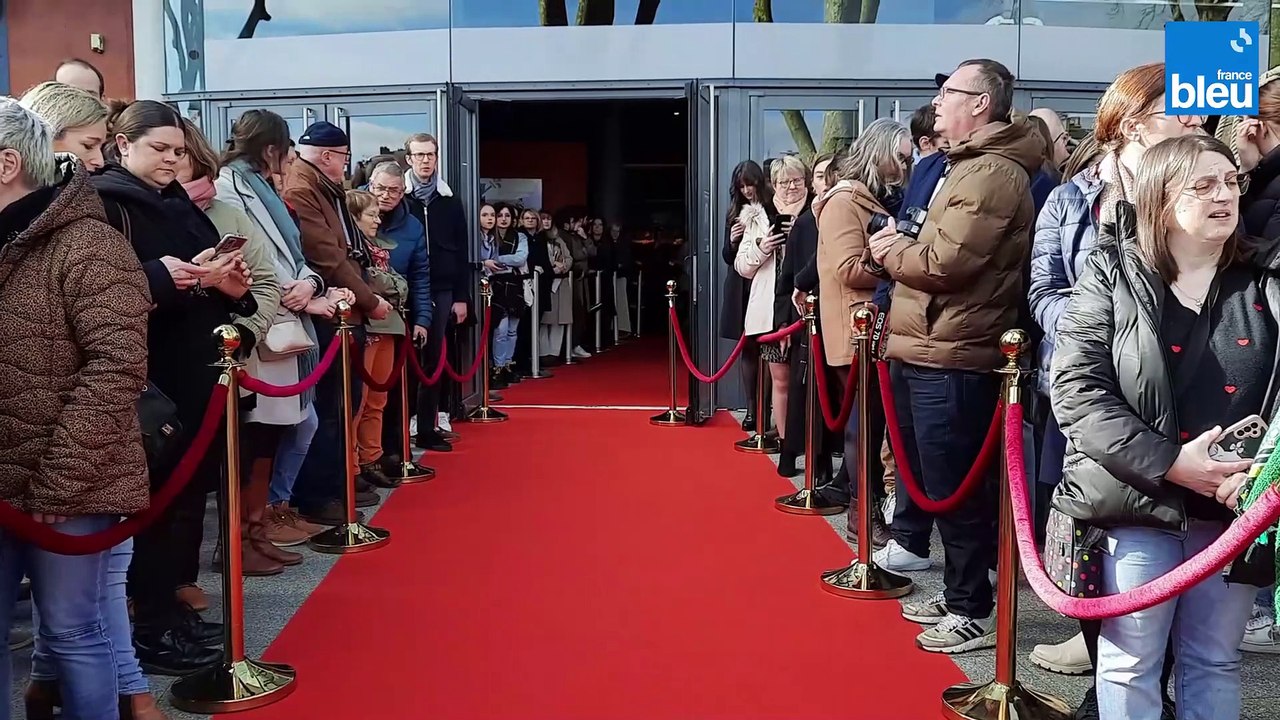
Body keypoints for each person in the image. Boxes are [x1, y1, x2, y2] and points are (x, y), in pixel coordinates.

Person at [1051, 134, 1270, 720]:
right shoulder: (1111, 273)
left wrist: (1261, 472)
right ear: (1160, 198)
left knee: (1214, 660)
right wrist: (1170, 463)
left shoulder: (1267, 276)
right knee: (1129, 661)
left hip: (1236, 507)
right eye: (1204, 185)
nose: (1224, 195)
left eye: (1231, 182)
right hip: (1138, 503)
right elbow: (1076, 390)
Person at [1027, 63, 1201, 716]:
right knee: (1092, 559)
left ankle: (1134, 692)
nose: (1196, 120)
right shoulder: (1072, 200)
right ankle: (1109, 682)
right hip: (1089, 400)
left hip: (1175, 408)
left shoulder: (1199, 193)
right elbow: (1043, 289)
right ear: (1132, 122)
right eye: (1178, 110)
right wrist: (1097, 331)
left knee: (1170, 570)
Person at [867, 58, 1044, 653]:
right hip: (927, 344)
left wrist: (890, 249)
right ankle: (961, 592)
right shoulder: (960, 164)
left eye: (949, 91)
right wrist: (902, 247)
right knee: (935, 480)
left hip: (953, 352)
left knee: (956, 488)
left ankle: (971, 608)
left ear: (980, 103)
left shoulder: (992, 171)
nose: (938, 101)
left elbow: (944, 264)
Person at [0, 97, 152, 720]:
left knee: (72, 629)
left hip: (73, 483)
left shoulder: (88, 244)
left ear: (7, 164)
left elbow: (117, 369)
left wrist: (60, 481)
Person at [94, 99, 255, 675]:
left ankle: (170, 613)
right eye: (159, 148)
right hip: (156, 377)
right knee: (159, 510)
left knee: (185, 505)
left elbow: (203, 276)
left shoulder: (173, 199)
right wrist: (174, 278)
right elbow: (104, 294)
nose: (171, 159)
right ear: (123, 145)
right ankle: (153, 627)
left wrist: (225, 282)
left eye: (179, 150)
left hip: (199, 367)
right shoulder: (108, 203)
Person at [217, 110, 342, 546]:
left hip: (289, 313)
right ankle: (255, 526)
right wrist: (300, 288)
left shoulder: (263, 186)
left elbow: (293, 252)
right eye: (286, 150)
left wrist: (310, 283)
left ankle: (271, 513)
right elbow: (256, 257)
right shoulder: (230, 187)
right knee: (266, 431)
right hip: (264, 320)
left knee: (294, 423)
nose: (290, 159)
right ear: (270, 148)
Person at [815, 119, 913, 549]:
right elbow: (846, 269)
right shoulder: (843, 202)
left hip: (877, 326)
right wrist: (890, 259)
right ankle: (862, 512)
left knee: (872, 425)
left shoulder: (875, 198)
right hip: (856, 329)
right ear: (880, 154)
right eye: (900, 158)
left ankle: (864, 504)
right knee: (863, 426)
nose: (905, 166)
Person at [284, 120, 388, 525]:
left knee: (345, 404)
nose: (347, 164)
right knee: (330, 407)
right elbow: (328, 256)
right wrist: (369, 300)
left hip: (346, 305)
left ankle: (337, 481)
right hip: (333, 310)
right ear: (327, 155)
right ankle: (319, 493)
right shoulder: (303, 187)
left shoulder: (324, 187)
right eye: (344, 156)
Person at [403, 133, 470, 453]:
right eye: (419, 155)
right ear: (409, 159)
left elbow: (461, 250)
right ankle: (402, 427)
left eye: (430, 154)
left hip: (442, 288)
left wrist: (461, 296)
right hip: (406, 288)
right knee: (404, 361)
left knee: (434, 359)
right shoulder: (399, 198)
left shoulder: (450, 200)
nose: (425, 160)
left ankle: (428, 426)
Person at [366, 161, 432, 475]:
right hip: (363, 314)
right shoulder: (353, 212)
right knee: (365, 396)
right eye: (380, 188)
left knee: (395, 392)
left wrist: (423, 318)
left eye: (393, 190)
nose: (386, 195)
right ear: (370, 185)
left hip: (399, 315)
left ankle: (394, 454)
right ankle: (365, 461)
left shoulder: (413, 226)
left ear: (403, 191)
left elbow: (421, 275)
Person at [347, 188, 412, 488]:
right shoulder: (353, 249)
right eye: (371, 215)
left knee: (378, 400)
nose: (377, 220)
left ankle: (371, 458)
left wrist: (392, 287)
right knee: (357, 402)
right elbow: (372, 281)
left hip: (389, 327)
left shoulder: (379, 247)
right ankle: (352, 465)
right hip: (366, 327)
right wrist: (392, 287)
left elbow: (398, 283)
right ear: (354, 218)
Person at [723, 160, 773, 431]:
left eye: (750, 184)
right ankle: (752, 409)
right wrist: (732, 240)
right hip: (740, 285)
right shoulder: (734, 212)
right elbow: (727, 257)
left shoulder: (771, 209)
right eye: (741, 187)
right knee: (749, 349)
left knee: (767, 348)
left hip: (765, 281)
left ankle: (765, 409)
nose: (746, 191)